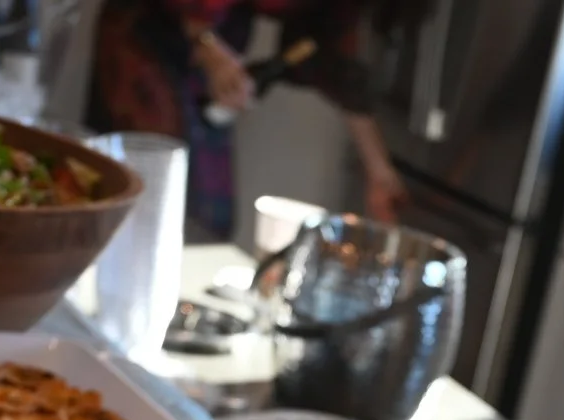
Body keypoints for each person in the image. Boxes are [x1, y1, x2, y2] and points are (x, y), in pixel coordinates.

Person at [88, 0, 406, 241]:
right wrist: (208, 46)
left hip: (210, 44)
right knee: (142, 200)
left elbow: (335, 57)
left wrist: (379, 170)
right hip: (147, 33)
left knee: (209, 217)